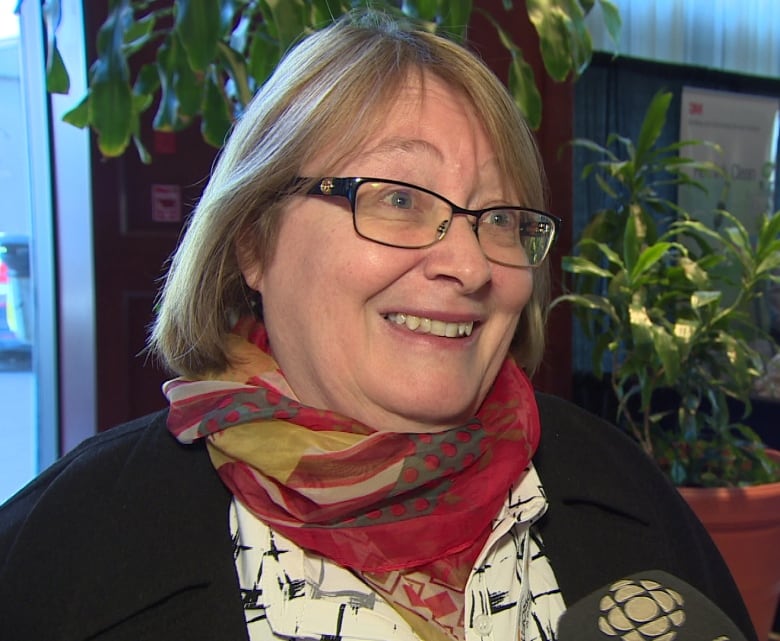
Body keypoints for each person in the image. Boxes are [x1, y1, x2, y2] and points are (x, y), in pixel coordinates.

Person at [0, 10, 757, 641]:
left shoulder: (622, 486)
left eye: (497, 216)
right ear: (253, 241)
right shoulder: (66, 554)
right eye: (397, 198)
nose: (468, 262)